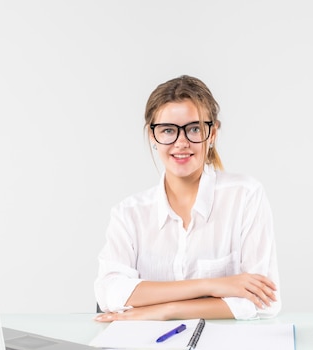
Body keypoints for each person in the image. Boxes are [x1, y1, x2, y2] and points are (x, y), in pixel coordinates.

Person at [94, 75, 280, 322]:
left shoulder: (245, 196)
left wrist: (167, 310)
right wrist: (212, 286)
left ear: (212, 133)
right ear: (152, 136)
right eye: (168, 131)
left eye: (193, 129)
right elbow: (110, 292)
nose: (181, 143)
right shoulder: (129, 213)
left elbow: (263, 302)